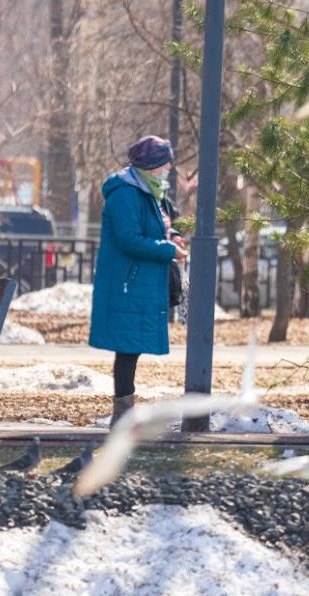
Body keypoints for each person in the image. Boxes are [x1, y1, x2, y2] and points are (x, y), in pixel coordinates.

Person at [89, 136, 188, 427]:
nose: (169, 166)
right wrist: (169, 249)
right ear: (152, 164)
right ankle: (122, 413)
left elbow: (154, 230)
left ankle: (125, 411)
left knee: (131, 345)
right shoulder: (126, 193)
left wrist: (172, 238)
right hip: (127, 281)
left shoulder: (150, 191)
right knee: (128, 346)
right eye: (165, 161)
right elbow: (129, 239)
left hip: (139, 281)